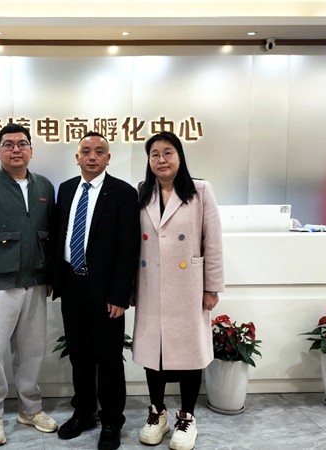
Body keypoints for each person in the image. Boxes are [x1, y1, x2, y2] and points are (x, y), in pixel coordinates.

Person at [0, 123, 58, 446]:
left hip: (35, 283)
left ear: (31, 149)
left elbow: (52, 236)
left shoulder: (44, 186)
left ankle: (30, 409)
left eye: (22, 143)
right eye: (8, 144)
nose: (16, 149)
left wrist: (50, 277)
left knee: (32, 351)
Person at [132, 132, 224, 450]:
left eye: (168, 152)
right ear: (149, 161)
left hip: (188, 286)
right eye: (154, 154)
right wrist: (130, 287)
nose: (161, 159)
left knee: (189, 353)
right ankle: (157, 413)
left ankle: (187, 416)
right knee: (153, 352)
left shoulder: (200, 190)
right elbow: (132, 244)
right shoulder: (142, 192)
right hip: (150, 284)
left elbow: (213, 242)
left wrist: (212, 287)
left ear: (180, 156)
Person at [51, 132, 140, 450]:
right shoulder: (66, 189)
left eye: (99, 151)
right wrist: (54, 278)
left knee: (109, 357)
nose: (92, 156)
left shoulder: (123, 193)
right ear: (77, 157)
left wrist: (119, 294)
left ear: (108, 158)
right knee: (79, 354)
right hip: (72, 283)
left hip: (106, 291)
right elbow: (58, 235)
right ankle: (84, 413)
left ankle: (112, 420)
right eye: (86, 151)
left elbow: (128, 247)